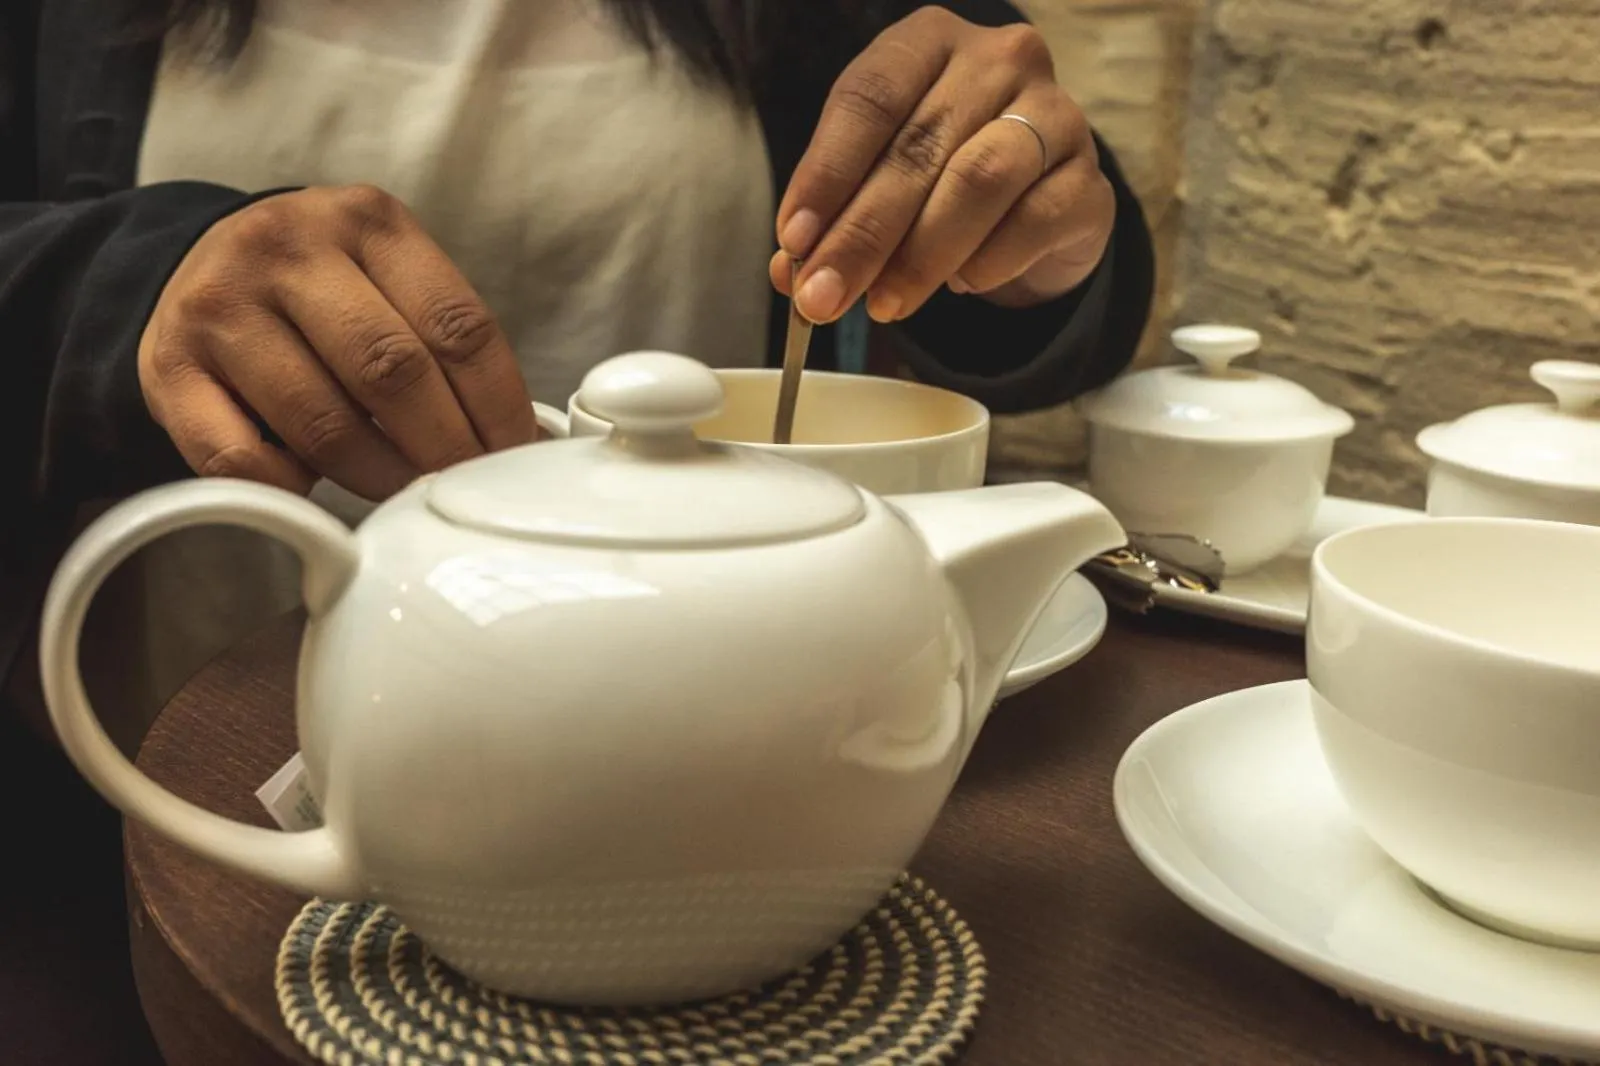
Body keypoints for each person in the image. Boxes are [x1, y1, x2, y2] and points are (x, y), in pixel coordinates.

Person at [1, 0, 1153, 736]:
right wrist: (126, 292)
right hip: (167, 747)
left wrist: (1037, 231)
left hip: (702, 751)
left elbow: (1044, 270)